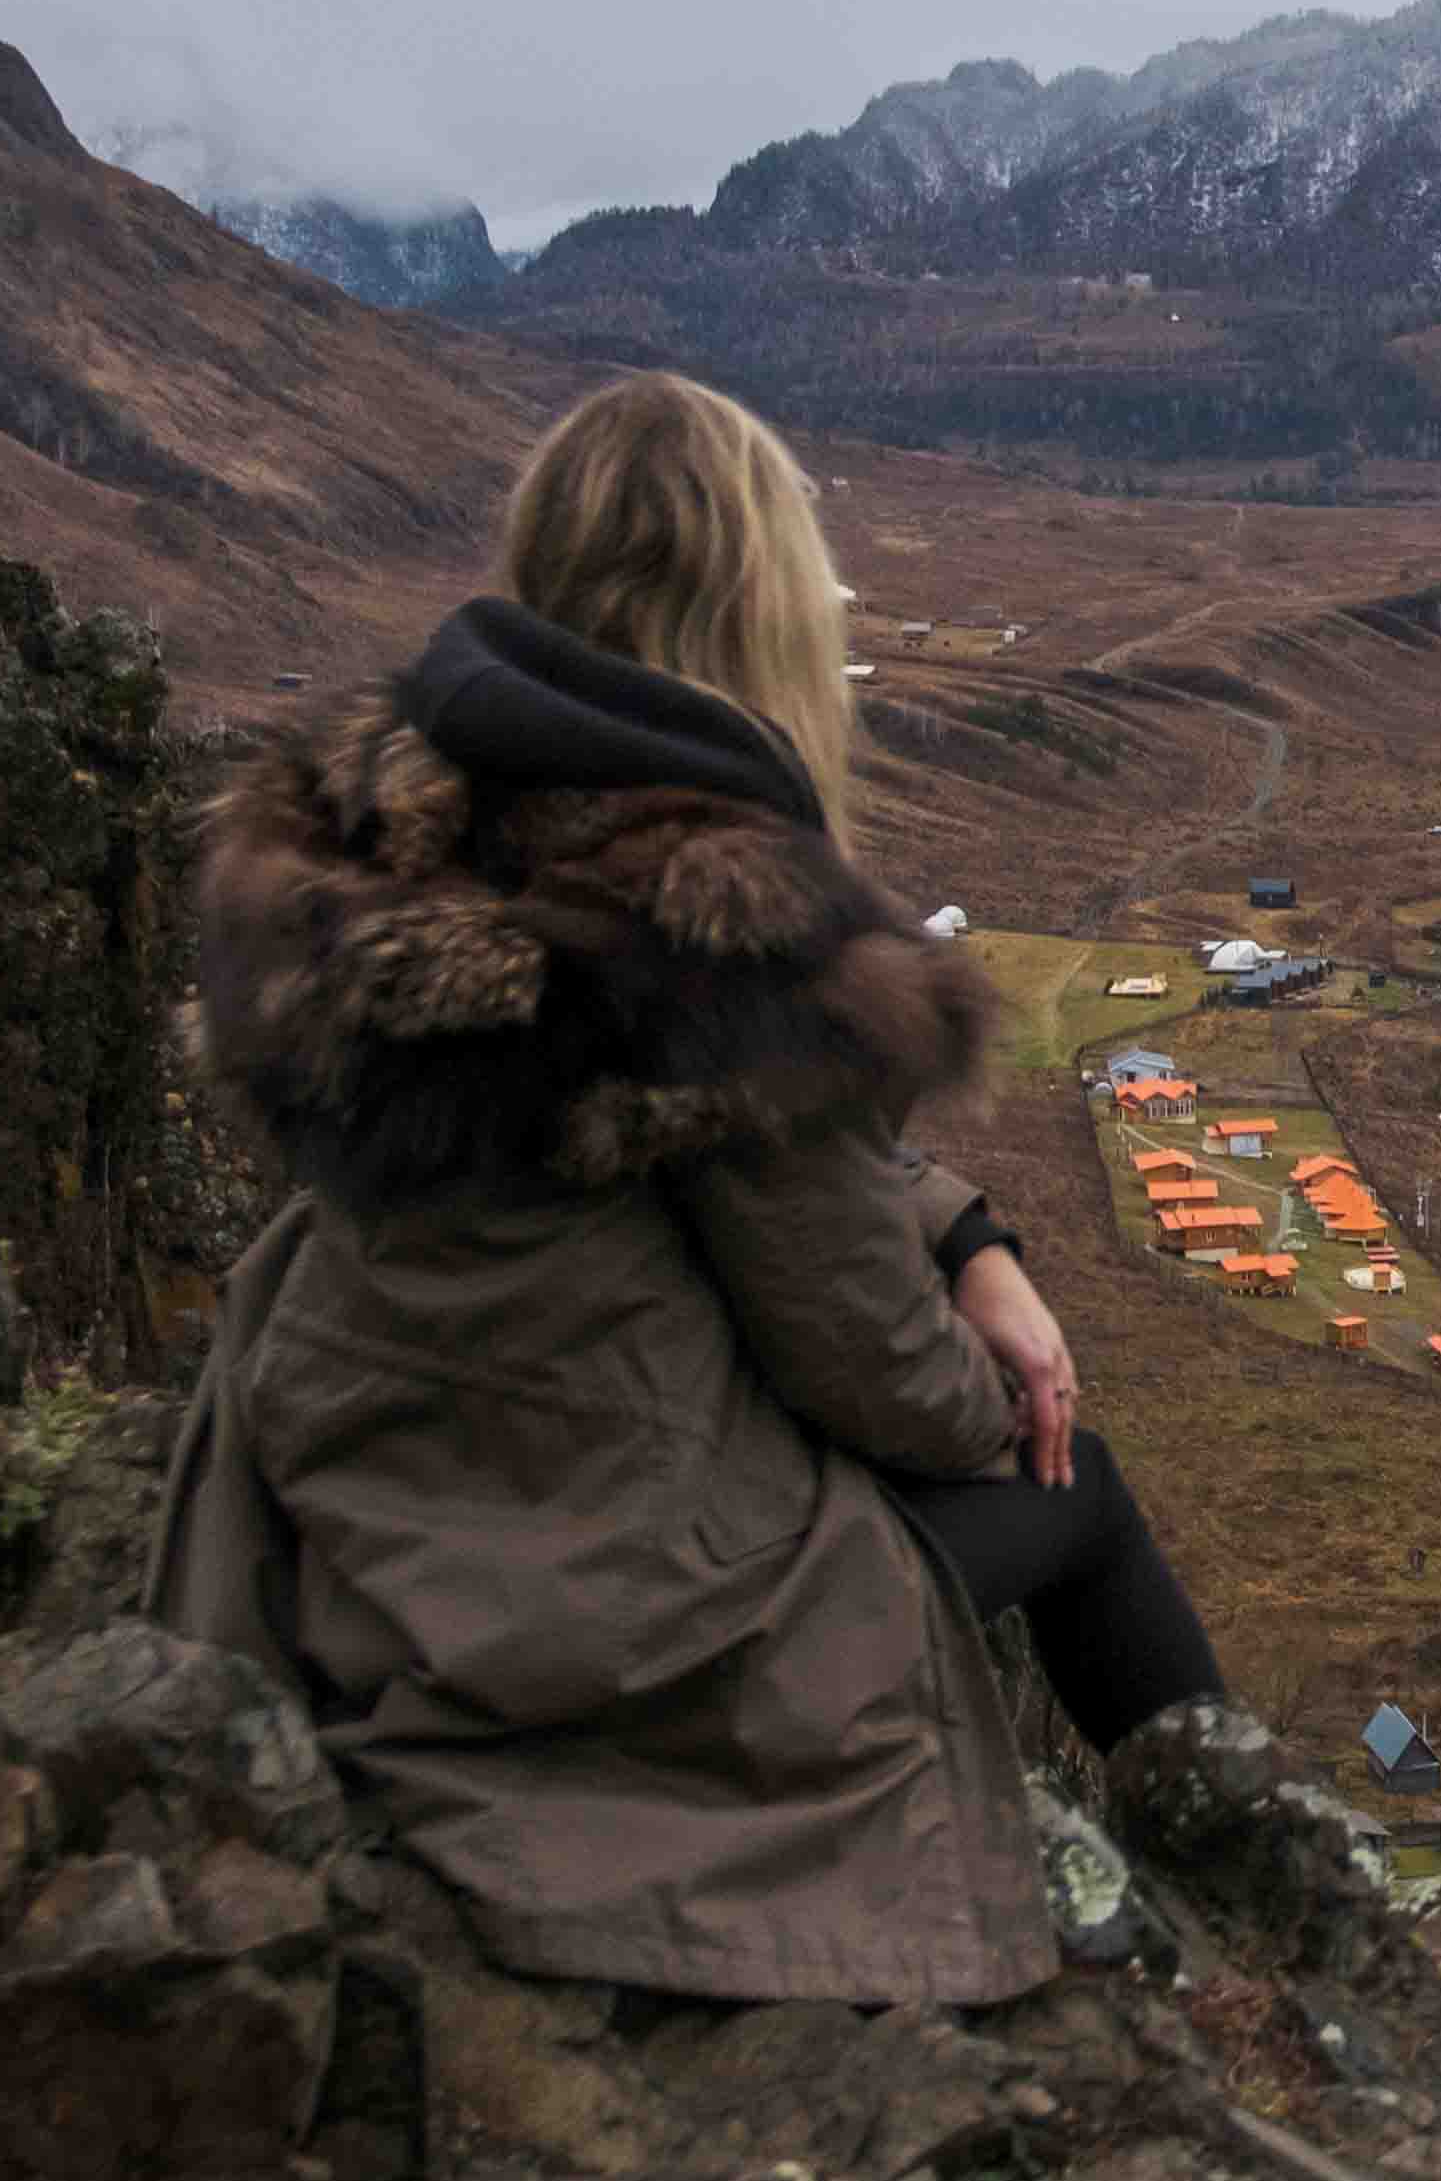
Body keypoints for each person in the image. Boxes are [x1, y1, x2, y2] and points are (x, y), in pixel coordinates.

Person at [158, 371, 1233, 1997]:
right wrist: (1003, 1387)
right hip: (600, 1613)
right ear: (755, 612)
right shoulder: (718, 918)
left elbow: (722, 1148)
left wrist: (971, 1233)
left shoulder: (385, 833)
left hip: (365, 1523)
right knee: (1073, 1495)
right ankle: (1265, 1899)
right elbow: (870, 1363)